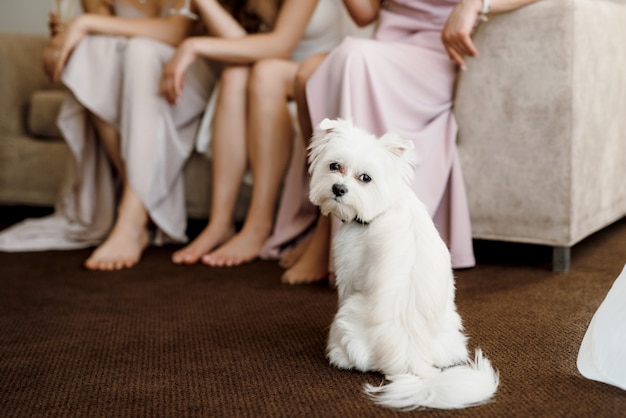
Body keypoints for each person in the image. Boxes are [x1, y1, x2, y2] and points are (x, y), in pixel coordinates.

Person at [280, 0, 541, 284]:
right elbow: (365, 14)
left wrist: (476, 3)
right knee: (310, 74)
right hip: (388, 42)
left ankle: (330, 236)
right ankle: (326, 220)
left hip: (438, 49)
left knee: (354, 55)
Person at [0, 0, 224, 270]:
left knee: (141, 52)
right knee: (91, 50)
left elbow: (176, 32)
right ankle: (141, 203)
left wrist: (84, 23)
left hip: (184, 70)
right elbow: (102, 35)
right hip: (132, 72)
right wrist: (63, 40)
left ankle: (132, 218)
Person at [164, 0, 347, 267]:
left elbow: (279, 45)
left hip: (317, 69)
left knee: (264, 72)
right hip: (275, 68)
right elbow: (241, 43)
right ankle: (219, 222)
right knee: (236, 73)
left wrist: (193, 45)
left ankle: (258, 224)